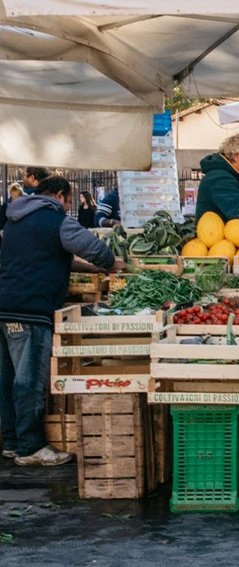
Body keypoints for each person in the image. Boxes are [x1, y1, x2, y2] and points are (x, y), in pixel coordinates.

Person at [0, 176, 120, 466]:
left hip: (6, 304)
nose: (68, 206)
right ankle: (30, 448)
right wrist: (110, 263)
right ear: (61, 196)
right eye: (68, 200)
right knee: (29, 381)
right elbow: (95, 248)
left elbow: (50, 255)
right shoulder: (56, 220)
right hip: (31, 308)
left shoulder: (15, 219)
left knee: (7, 379)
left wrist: (88, 269)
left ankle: (13, 441)